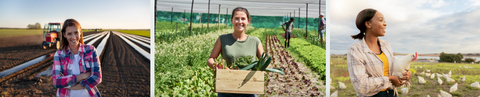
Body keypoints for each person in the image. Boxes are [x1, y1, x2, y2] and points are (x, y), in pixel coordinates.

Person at [347, 8, 412, 97]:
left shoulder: (386, 46)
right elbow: (360, 86)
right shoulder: (355, 50)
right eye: (381, 20)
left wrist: (405, 75)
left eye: (384, 21)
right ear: (368, 24)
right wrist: (389, 79)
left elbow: (393, 69)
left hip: (392, 93)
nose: (385, 24)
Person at [207, 7, 264, 97]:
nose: (239, 22)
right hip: (226, 88)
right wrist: (216, 66)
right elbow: (211, 59)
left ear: (248, 21)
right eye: (236, 18)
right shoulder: (222, 39)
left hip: (248, 89)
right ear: (232, 20)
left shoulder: (255, 41)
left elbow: (265, 62)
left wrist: (260, 69)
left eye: (243, 19)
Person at [52, 19, 102, 97]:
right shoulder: (59, 55)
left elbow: (97, 77)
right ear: (64, 35)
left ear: (80, 32)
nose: (73, 37)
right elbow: (56, 82)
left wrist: (71, 85)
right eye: (69, 34)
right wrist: (83, 76)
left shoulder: (90, 50)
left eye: (76, 33)